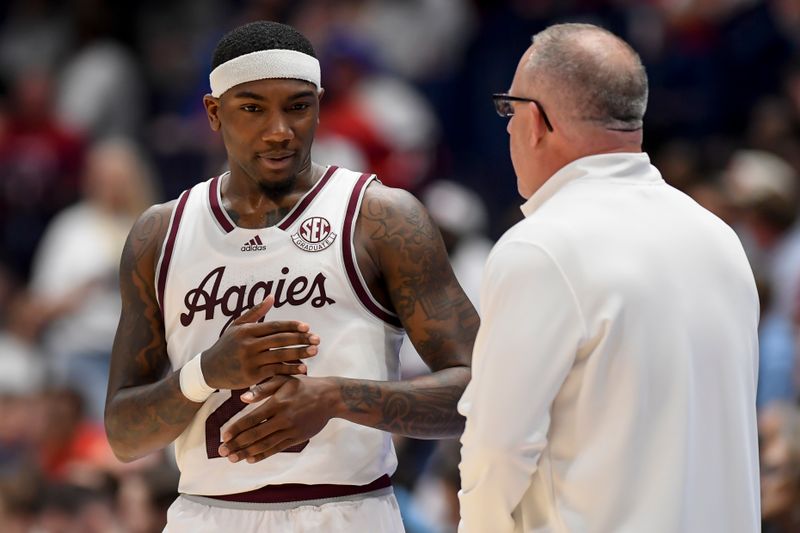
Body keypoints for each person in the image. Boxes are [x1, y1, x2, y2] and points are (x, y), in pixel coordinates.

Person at [104, 20, 477, 533]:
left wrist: (335, 397)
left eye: (298, 106)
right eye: (253, 108)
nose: (279, 129)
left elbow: (477, 393)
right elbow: (124, 434)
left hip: (350, 508)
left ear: (320, 106)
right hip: (205, 514)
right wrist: (205, 372)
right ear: (214, 112)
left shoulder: (382, 218)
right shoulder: (159, 233)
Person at [458, 23, 760, 533]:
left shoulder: (541, 248)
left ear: (535, 121)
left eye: (509, 110)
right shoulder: (719, 238)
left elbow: (498, 451)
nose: (507, 128)